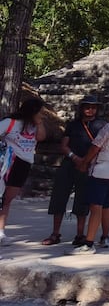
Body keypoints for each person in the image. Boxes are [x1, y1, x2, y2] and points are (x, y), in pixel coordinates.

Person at [68, 100, 109, 254]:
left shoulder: (108, 128)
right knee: (107, 206)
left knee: (95, 207)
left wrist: (84, 162)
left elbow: (95, 147)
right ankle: (105, 236)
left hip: (101, 170)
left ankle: (89, 243)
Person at [42, 95, 106, 246]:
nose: (90, 110)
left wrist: (86, 161)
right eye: (87, 107)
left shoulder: (102, 126)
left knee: (82, 201)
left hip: (89, 166)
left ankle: (80, 234)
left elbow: (101, 147)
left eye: (94, 107)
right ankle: (55, 233)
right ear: (82, 108)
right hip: (70, 163)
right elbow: (64, 145)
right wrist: (75, 157)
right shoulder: (73, 125)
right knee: (59, 197)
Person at [0, 97, 47, 246]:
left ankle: (1, 231)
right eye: (40, 112)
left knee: (8, 199)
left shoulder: (35, 126)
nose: (42, 115)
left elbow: (41, 137)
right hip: (8, 163)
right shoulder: (10, 123)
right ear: (32, 111)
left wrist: (39, 123)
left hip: (24, 164)